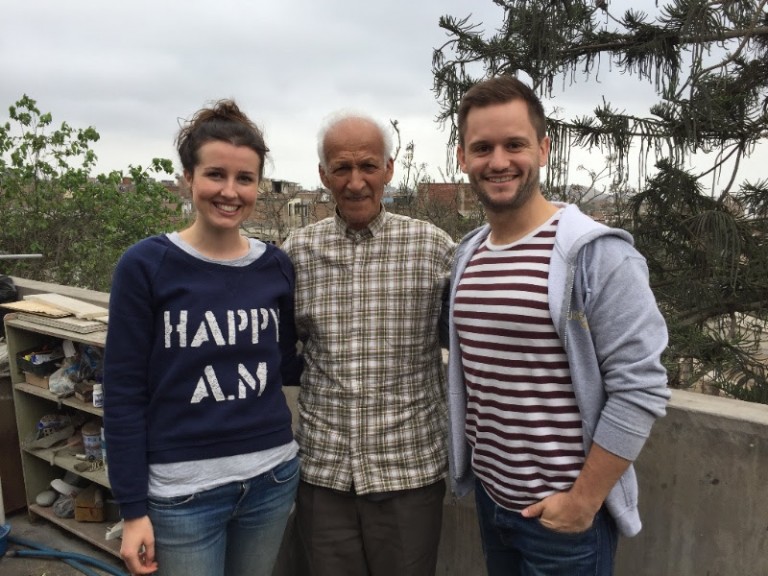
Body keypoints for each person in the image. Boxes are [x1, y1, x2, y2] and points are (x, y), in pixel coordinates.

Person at [446, 75, 671, 575]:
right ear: (462, 157)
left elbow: (641, 386)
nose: (499, 161)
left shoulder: (597, 255)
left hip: (563, 519)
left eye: (515, 144)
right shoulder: (469, 254)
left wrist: (583, 501)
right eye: (482, 147)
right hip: (493, 501)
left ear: (544, 148)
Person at [103, 100, 301, 576]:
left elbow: (286, 362)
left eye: (245, 179)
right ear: (188, 178)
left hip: (272, 478)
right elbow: (124, 393)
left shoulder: (275, 266)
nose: (230, 192)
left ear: (259, 185)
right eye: (215, 175)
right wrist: (132, 510)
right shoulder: (145, 266)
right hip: (181, 495)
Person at [281, 111, 455, 576]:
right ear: (323, 175)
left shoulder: (433, 248)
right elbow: (278, 349)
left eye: (368, 166)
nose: (356, 182)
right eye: (341, 168)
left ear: (389, 169)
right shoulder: (297, 253)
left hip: (408, 473)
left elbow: (467, 341)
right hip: (324, 474)